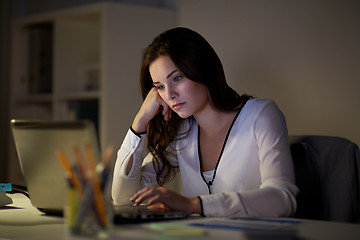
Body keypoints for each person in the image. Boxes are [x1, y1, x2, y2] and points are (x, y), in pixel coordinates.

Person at [111, 27, 299, 218]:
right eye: (160, 87)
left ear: (202, 69)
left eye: (177, 78)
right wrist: (140, 121)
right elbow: (124, 199)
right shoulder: (181, 133)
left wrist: (194, 205)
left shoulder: (261, 114)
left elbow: (283, 199)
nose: (169, 95)